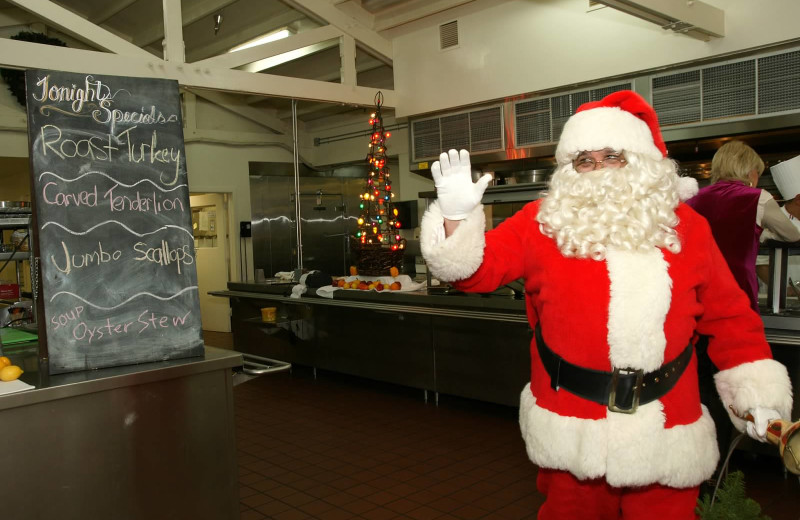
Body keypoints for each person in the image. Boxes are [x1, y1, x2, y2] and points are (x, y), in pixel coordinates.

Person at [420, 90, 793, 520]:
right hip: (572, 425)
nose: (598, 171)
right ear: (570, 169)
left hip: (668, 427)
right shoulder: (542, 222)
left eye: (611, 156)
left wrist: (755, 391)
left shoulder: (688, 228)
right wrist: (455, 218)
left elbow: (730, 318)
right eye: (585, 161)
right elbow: (473, 272)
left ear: (639, 161)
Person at [686, 140, 800, 313]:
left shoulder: (693, 199)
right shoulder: (758, 198)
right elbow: (792, 235)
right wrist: (764, 234)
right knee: (740, 336)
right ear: (749, 171)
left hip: (699, 291)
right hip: (738, 289)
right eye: (757, 173)